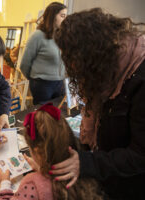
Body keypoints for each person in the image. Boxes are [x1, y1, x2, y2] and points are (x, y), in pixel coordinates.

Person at [52, 8, 145, 199]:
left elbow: (140, 155)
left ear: (92, 54)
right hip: (110, 176)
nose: (73, 68)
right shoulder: (106, 72)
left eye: (73, 60)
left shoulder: (138, 81)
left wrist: (87, 163)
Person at [0, 103, 102, 200]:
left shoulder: (32, 184)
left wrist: (4, 183)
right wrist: (41, 168)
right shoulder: (86, 169)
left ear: (36, 151)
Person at [20, 2, 66, 105]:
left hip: (60, 83)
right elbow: (24, 64)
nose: (65, 19)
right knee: (43, 117)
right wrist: (35, 79)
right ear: (53, 16)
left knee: (58, 115)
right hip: (42, 84)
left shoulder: (61, 37)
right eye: (62, 16)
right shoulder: (37, 36)